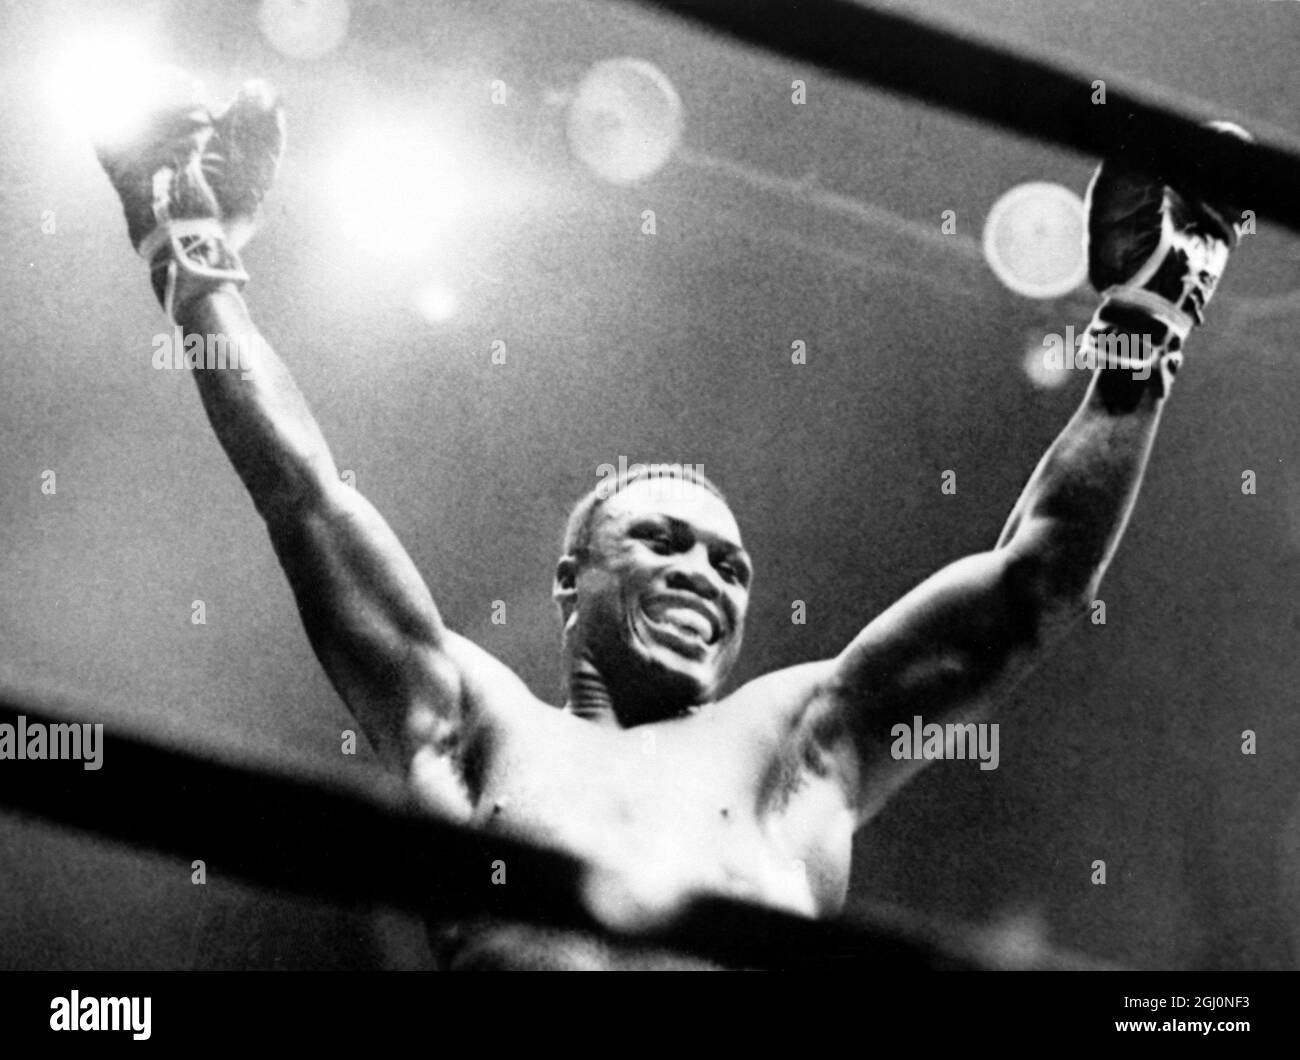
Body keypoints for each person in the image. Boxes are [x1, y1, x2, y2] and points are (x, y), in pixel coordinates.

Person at [95, 79, 1245, 969]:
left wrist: (1141, 331)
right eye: (663, 540)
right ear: (571, 579)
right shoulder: (471, 722)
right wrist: (194, 257)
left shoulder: (797, 743)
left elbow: (1029, 586)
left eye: (733, 563)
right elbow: (306, 498)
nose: (708, 573)